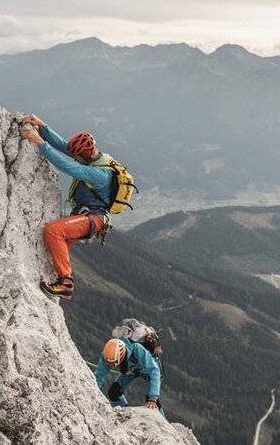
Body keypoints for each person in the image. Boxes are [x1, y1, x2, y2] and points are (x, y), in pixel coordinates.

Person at [20, 114, 114, 300]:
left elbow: (69, 167)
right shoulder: (94, 158)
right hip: (86, 215)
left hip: (93, 218)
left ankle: (66, 283)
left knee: (53, 232)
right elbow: (67, 148)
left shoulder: (100, 173)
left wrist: (39, 142)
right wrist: (43, 127)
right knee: (50, 251)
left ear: (84, 155)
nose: (74, 157)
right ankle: (54, 281)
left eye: (77, 156)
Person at [95, 337, 164, 415]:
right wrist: (93, 390)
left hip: (149, 370)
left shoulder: (137, 349)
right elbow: (99, 375)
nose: (112, 365)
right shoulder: (107, 354)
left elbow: (154, 370)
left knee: (153, 403)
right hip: (132, 370)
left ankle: (165, 424)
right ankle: (125, 412)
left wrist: (153, 398)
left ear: (121, 356)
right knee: (114, 392)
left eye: (115, 363)